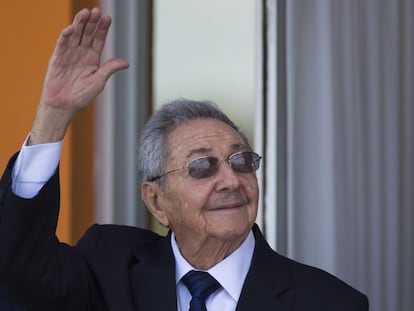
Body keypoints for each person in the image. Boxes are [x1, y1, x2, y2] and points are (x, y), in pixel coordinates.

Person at [0, 7, 369, 311]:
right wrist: (53, 116)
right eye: (202, 166)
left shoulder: (330, 302)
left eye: (240, 161)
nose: (230, 180)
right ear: (156, 200)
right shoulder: (108, 267)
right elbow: (18, 266)